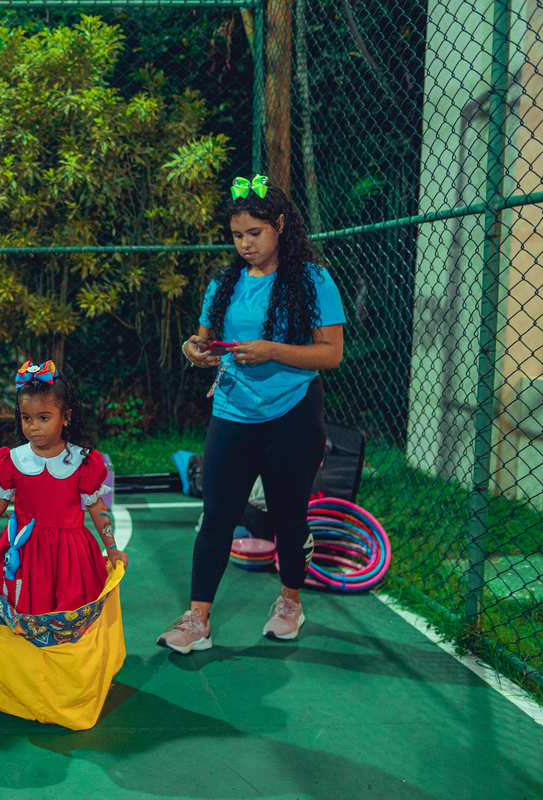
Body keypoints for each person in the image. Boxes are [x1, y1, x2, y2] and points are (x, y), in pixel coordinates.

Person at [158, 174, 345, 654]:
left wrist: (273, 351)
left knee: (288, 516)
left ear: (280, 225)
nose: (245, 244)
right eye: (237, 234)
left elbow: (330, 355)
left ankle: (289, 602)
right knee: (217, 515)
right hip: (233, 411)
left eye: (254, 234)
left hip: (293, 414)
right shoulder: (223, 285)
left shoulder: (312, 280)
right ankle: (197, 620)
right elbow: (204, 340)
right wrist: (192, 349)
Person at [0, 360, 128, 613]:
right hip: (24, 552)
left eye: (43, 417)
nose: (33, 426)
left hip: (70, 556)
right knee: (20, 609)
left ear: (66, 416)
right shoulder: (13, 459)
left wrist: (112, 549)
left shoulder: (83, 461)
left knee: (68, 614)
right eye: (26, 418)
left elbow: (97, 509)